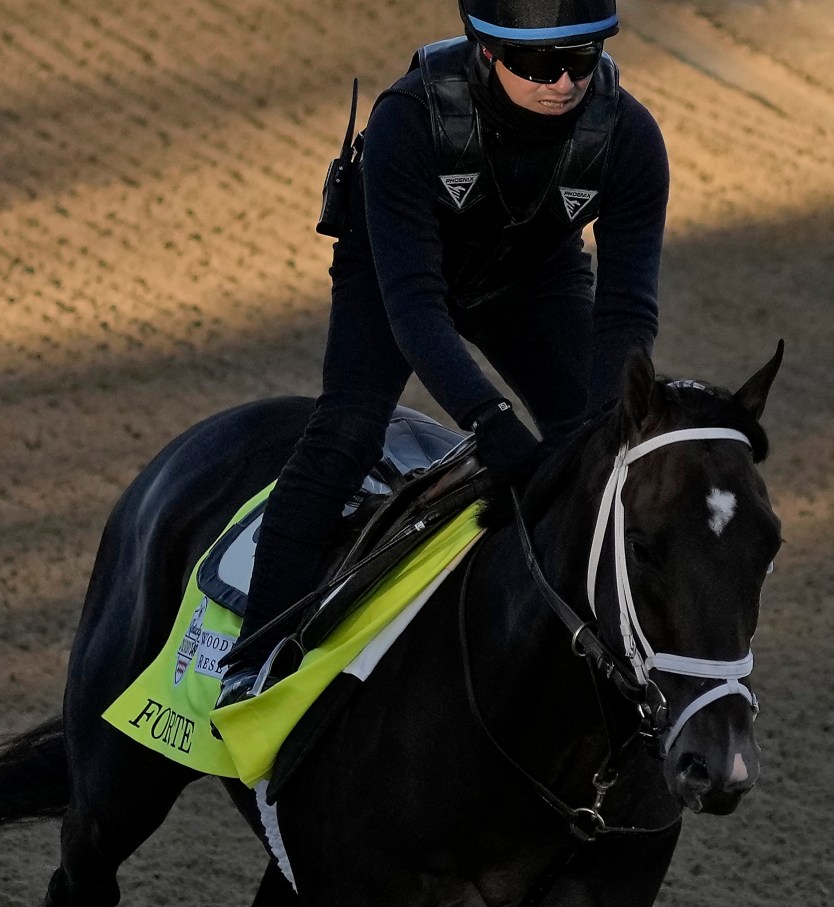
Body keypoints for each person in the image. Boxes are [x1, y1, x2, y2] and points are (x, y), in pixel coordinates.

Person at [219, 0, 670, 702]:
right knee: (346, 431)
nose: (562, 82)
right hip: (394, 273)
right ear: (486, 54)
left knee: (603, 451)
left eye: (581, 59)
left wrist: (607, 425)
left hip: (534, 276)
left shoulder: (630, 136)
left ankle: (608, 644)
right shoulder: (408, 117)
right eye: (535, 63)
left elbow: (626, 311)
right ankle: (253, 658)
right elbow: (416, 307)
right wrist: (488, 419)